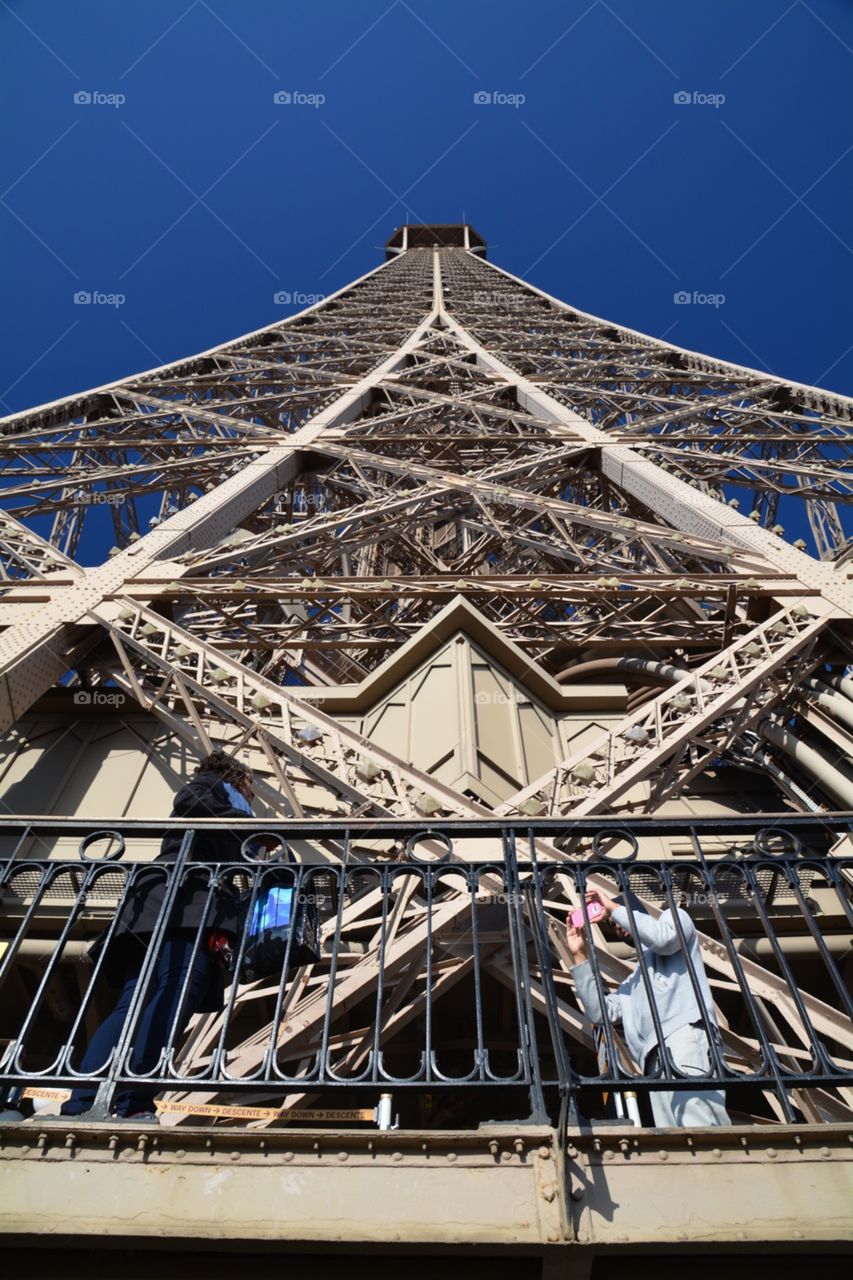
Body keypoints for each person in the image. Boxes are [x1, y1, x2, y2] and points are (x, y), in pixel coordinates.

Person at [58, 750, 257, 1122]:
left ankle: (83, 1101)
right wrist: (252, 832)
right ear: (240, 779)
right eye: (250, 786)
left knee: (137, 1001)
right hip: (188, 904)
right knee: (173, 996)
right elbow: (190, 800)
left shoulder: (220, 801)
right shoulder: (216, 788)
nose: (251, 794)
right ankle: (132, 1101)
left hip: (163, 904)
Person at [567, 887, 730, 1127]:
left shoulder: (674, 919)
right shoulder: (633, 982)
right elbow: (600, 1013)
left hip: (683, 1035)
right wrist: (579, 956)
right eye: (612, 924)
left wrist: (611, 908)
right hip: (652, 1060)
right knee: (673, 1133)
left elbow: (663, 939)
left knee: (698, 1120)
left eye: (618, 917)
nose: (616, 925)